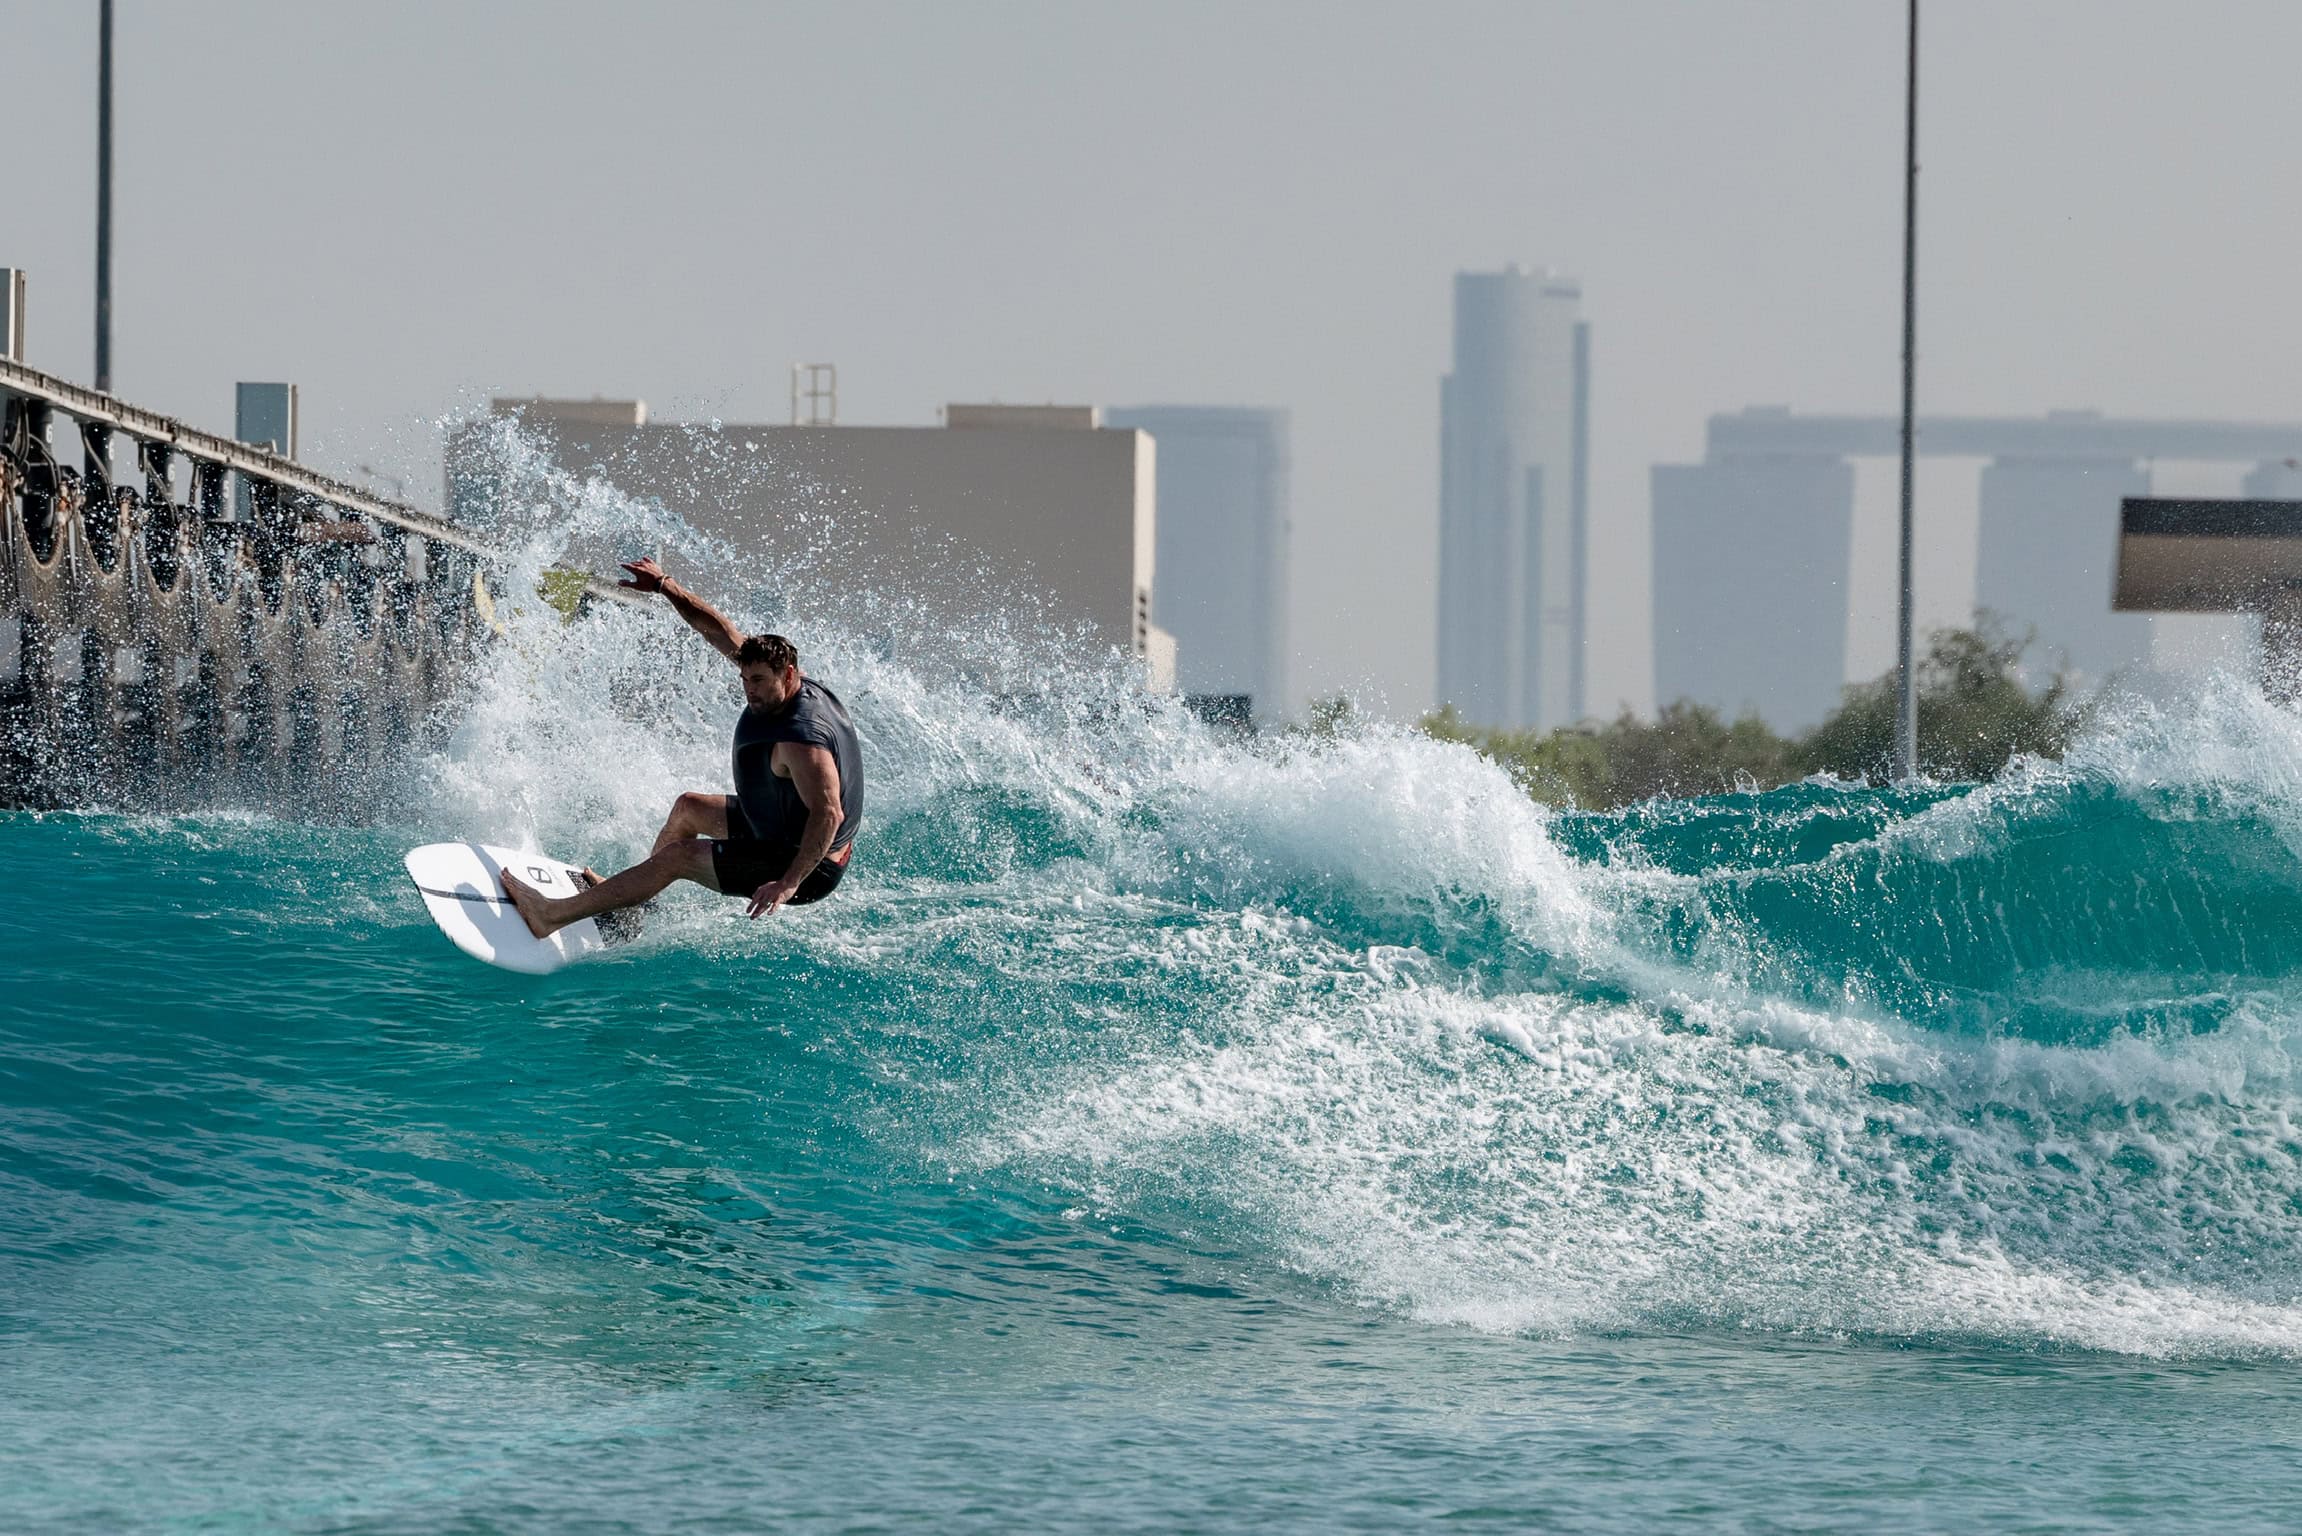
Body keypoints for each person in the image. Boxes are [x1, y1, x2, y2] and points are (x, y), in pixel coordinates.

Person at [500, 557, 865, 938]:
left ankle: (550, 916)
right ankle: (632, 907)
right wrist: (664, 586)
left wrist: (788, 882)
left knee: (677, 859)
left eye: (758, 680)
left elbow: (829, 814)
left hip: (808, 863)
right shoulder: (783, 677)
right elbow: (719, 631)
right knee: (688, 808)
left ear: (788, 675)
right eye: (745, 679)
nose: (749, 689)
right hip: (778, 824)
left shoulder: (802, 740)